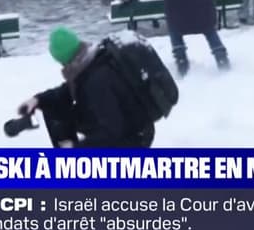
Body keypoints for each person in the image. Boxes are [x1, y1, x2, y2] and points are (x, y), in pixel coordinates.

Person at [15, 27, 155, 148]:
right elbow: (64, 93)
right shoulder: (87, 61)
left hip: (134, 137)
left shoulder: (96, 81)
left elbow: (112, 131)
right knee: (53, 107)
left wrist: (77, 147)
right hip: (124, 123)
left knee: (66, 117)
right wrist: (37, 100)